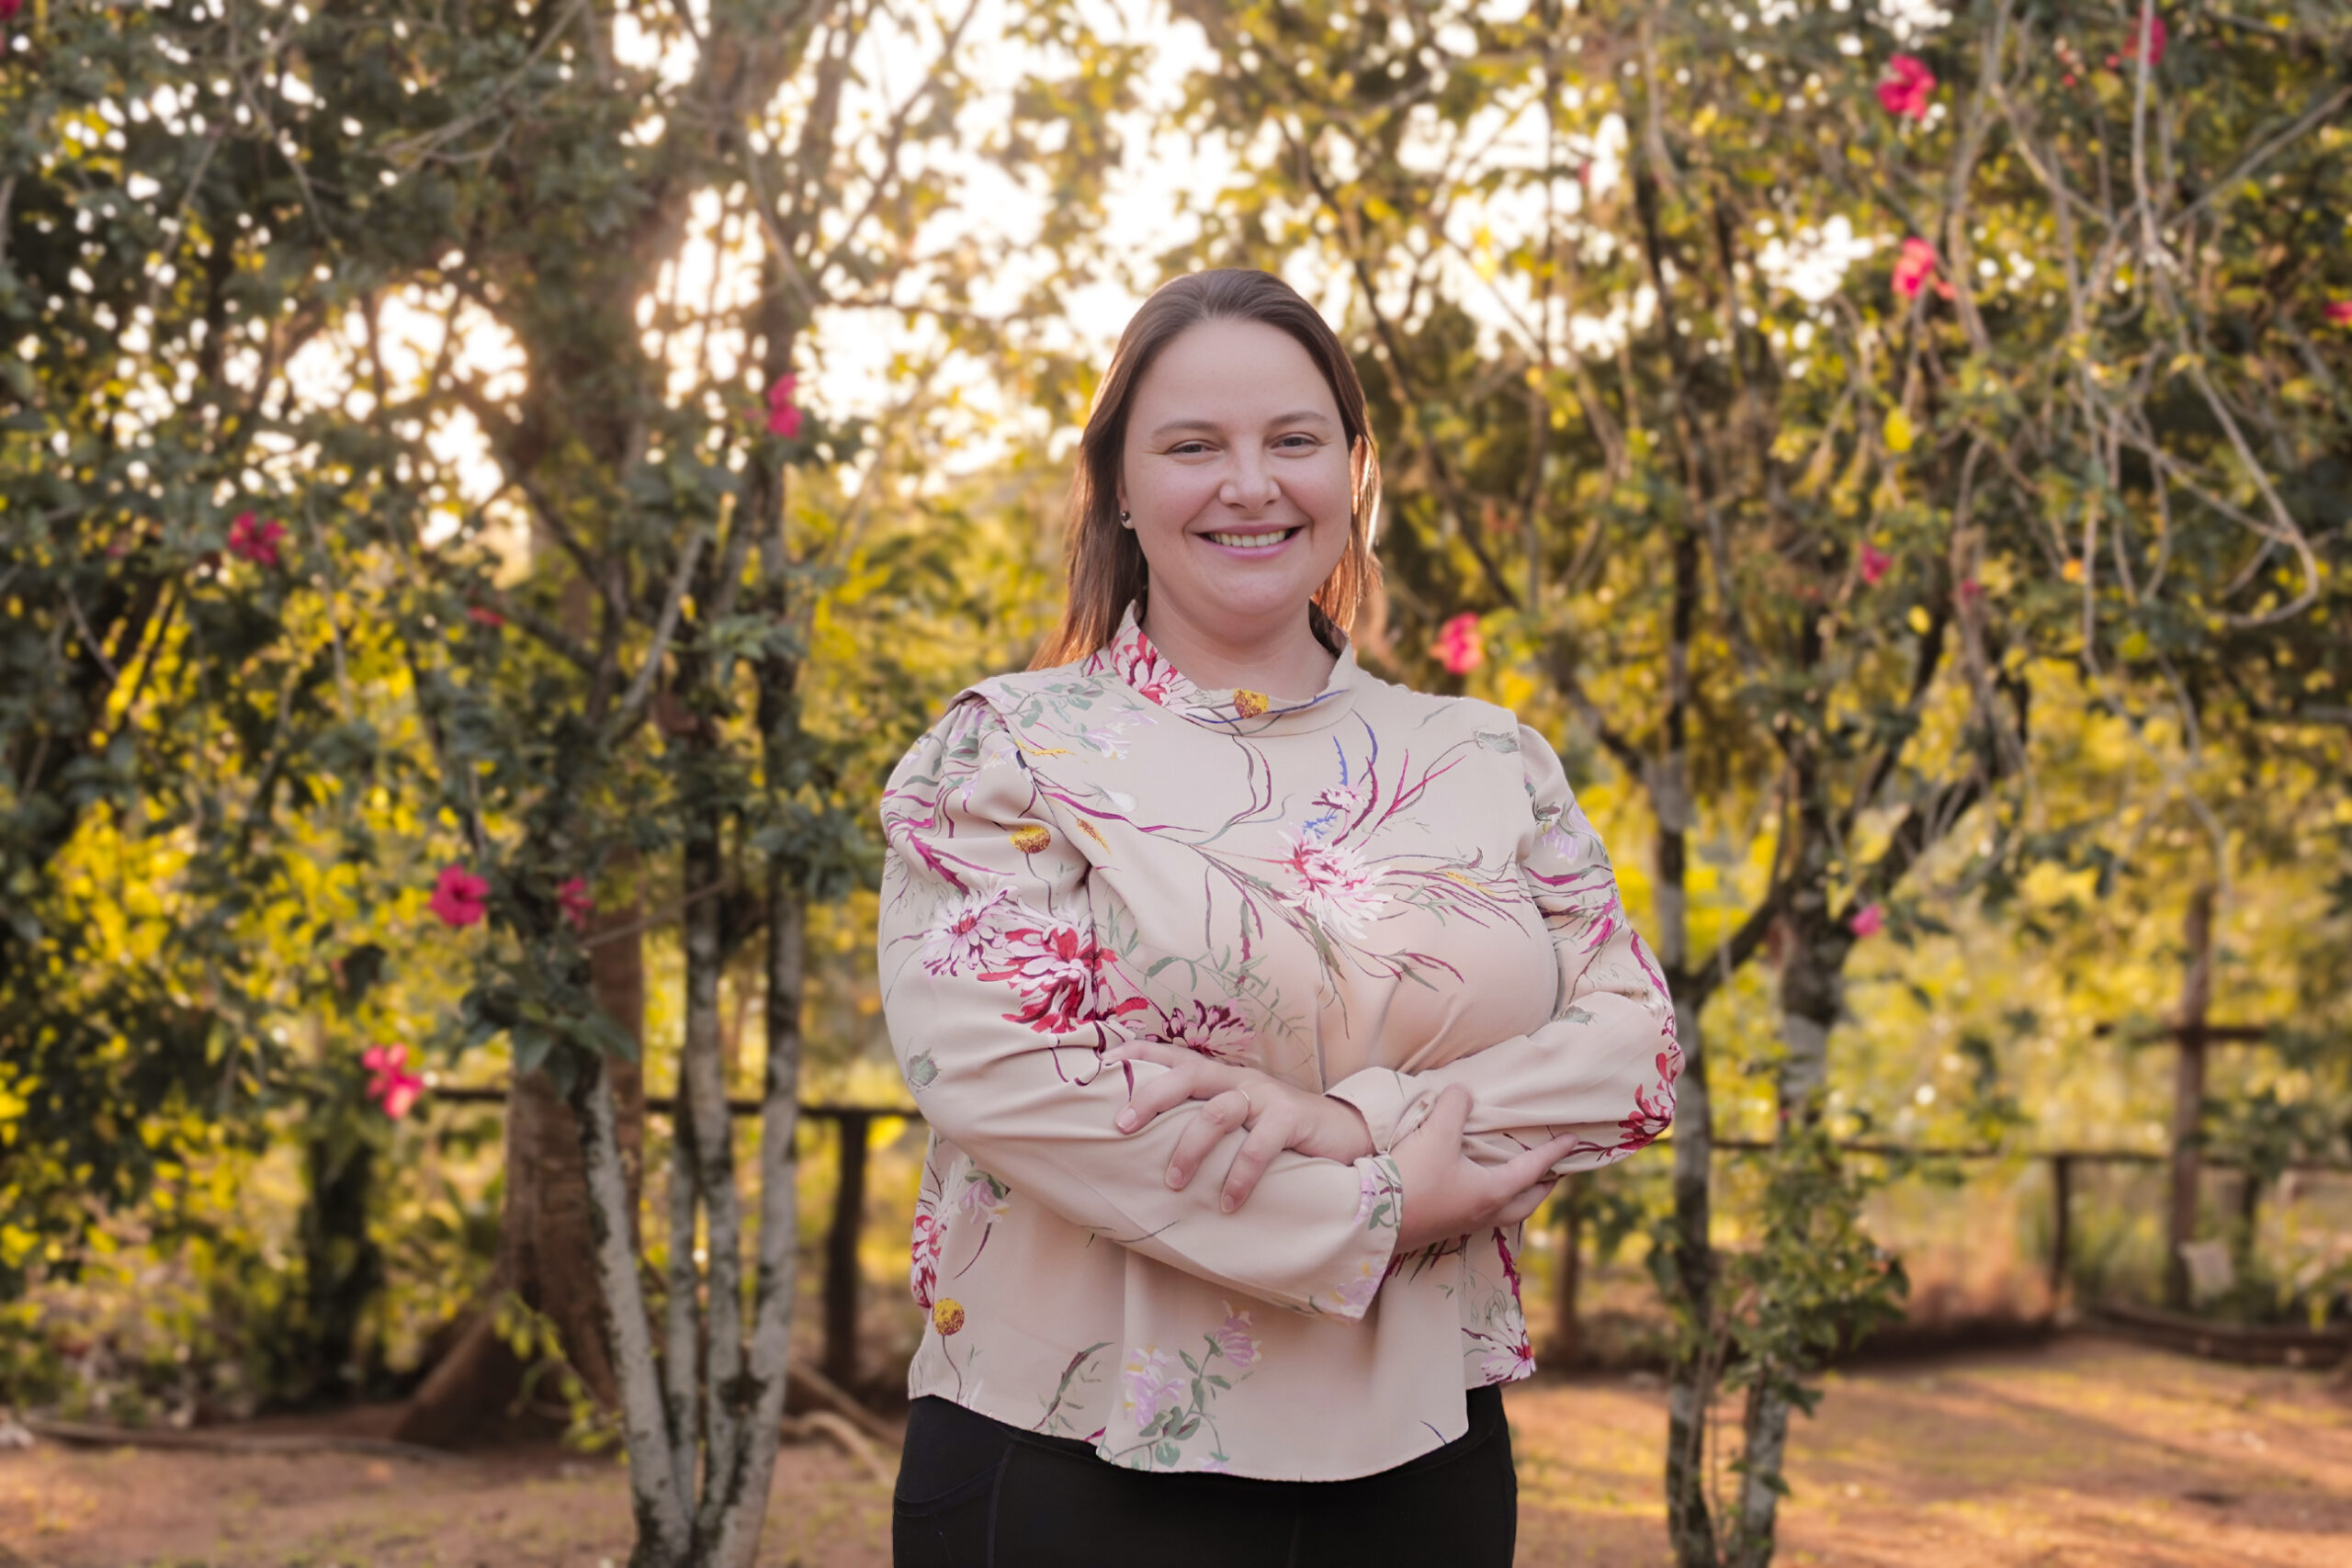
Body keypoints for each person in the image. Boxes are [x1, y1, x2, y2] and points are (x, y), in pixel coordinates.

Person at [877, 267, 1679, 1567]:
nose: (1250, 484)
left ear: (1352, 472)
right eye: (1194, 446)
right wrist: (1375, 1212)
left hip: (1430, 1456)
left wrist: (1357, 1125)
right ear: (1122, 488)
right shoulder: (1012, 752)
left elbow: (1631, 1048)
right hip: (1079, 1465)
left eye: (1293, 441)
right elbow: (1007, 1077)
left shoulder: (1485, 755)